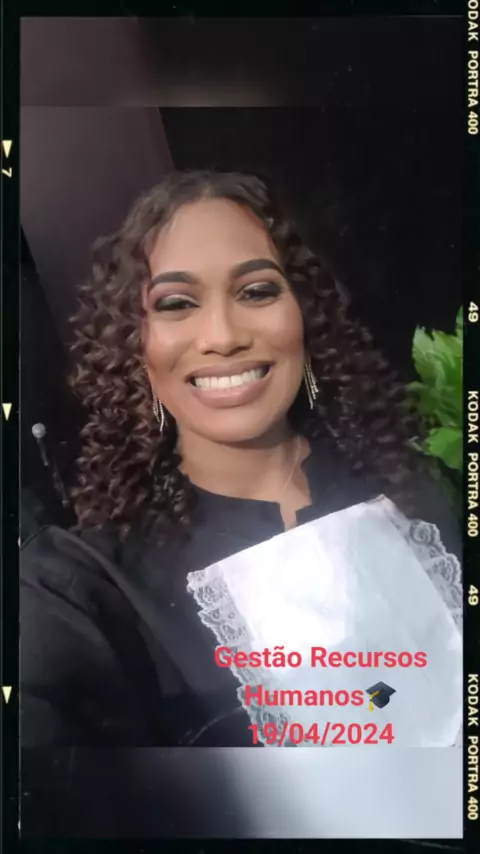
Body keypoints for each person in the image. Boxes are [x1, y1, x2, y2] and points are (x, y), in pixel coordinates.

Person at [20, 170, 460, 748]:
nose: (223, 335)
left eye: (256, 292)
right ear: (135, 346)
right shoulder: (86, 585)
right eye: (176, 303)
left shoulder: (410, 489)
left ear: (306, 317)